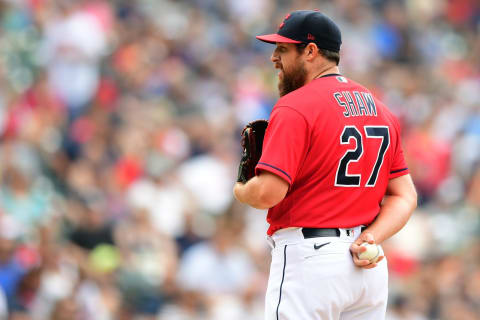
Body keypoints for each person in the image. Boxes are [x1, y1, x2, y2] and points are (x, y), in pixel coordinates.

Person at [233, 10, 417, 320]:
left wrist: (241, 189)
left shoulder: (295, 105)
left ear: (310, 51)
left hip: (311, 261)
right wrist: (371, 237)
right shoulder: (380, 109)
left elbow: (267, 193)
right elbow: (404, 195)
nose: (274, 58)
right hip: (366, 266)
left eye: (282, 49)